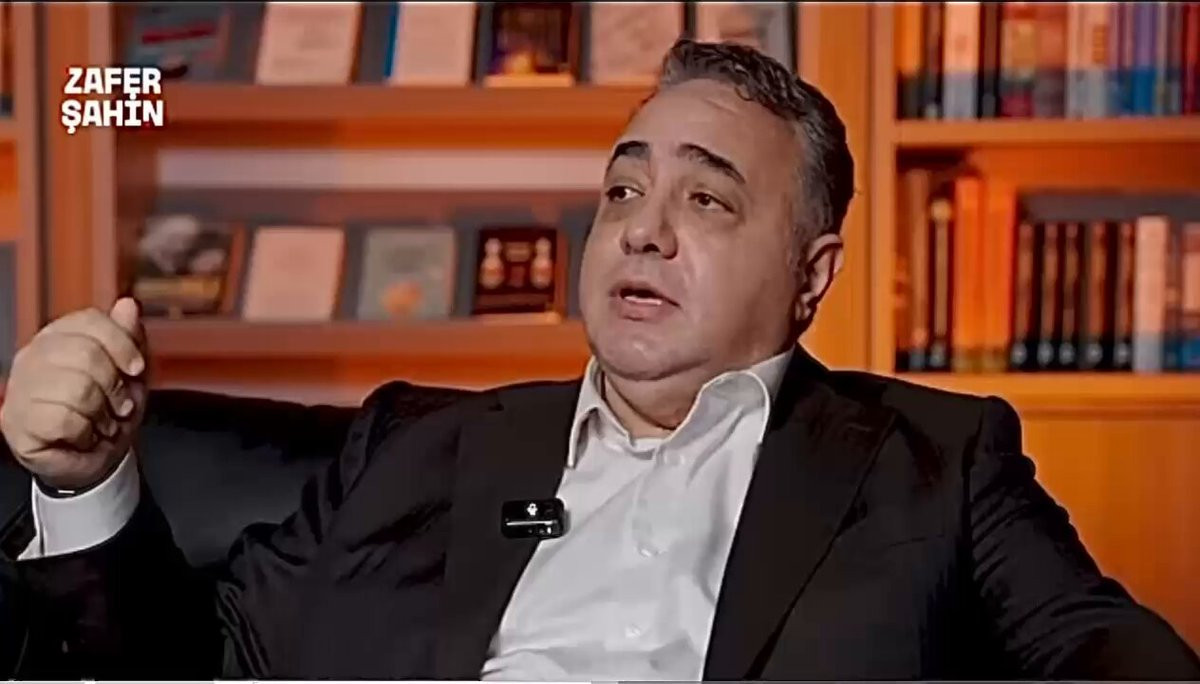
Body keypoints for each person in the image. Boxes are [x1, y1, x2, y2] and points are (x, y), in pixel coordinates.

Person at [1, 39, 1198, 681]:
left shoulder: (938, 460)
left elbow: (1098, 647)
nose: (641, 229)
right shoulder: (413, 444)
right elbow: (193, 666)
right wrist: (89, 483)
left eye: (707, 201)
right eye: (624, 189)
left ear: (812, 275)